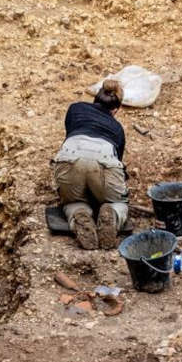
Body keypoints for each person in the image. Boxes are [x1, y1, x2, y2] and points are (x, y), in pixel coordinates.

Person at [52, 76, 128, 251]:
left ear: (96, 96)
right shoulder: (117, 129)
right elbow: (119, 163)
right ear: (116, 110)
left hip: (70, 156)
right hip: (104, 159)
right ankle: (113, 216)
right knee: (118, 202)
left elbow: (69, 133)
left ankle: (79, 214)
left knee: (71, 201)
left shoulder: (75, 108)